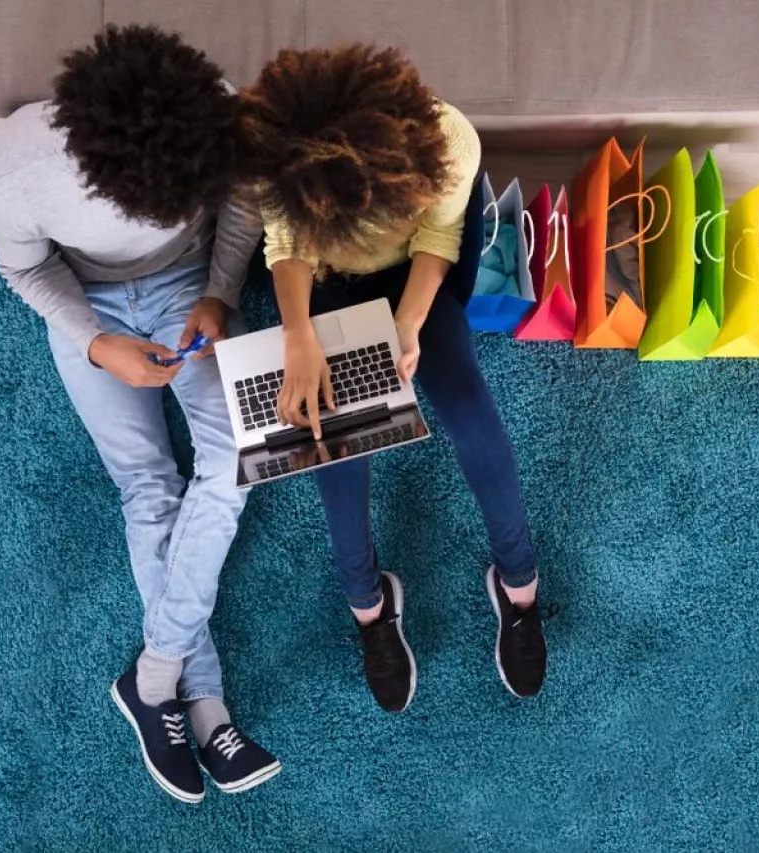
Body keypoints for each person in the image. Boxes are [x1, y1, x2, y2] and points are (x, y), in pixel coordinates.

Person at [0, 25, 279, 802]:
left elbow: (242, 206)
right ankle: (200, 702)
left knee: (236, 459)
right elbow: (27, 268)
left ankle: (157, 678)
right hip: (88, 304)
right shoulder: (12, 170)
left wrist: (220, 291)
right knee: (148, 485)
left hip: (188, 291)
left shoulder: (216, 121)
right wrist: (100, 342)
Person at [239, 44, 548, 713]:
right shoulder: (282, 151)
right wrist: (298, 334)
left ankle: (518, 586)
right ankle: (367, 605)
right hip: (331, 290)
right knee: (328, 443)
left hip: (417, 282)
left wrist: (408, 324)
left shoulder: (452, 140)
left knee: (470, 414)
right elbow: (286, 243)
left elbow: (438, 241)